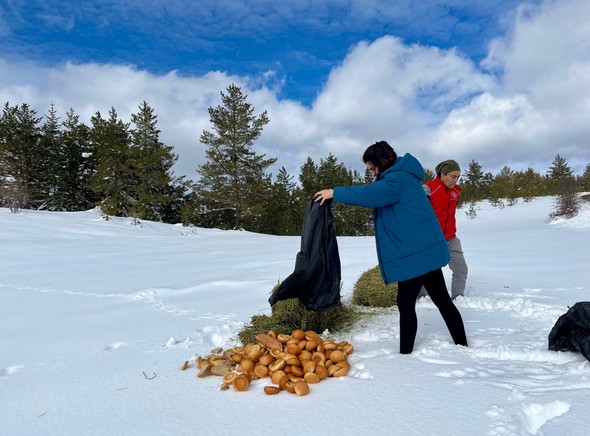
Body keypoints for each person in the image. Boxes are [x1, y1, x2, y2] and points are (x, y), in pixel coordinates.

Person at [314, 141, 467, 354]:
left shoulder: (396, 180)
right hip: (424, 248)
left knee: (405, 303)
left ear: (381, 162)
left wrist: (334, 192)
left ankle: (405, 355)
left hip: (414, 252)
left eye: (372, 167)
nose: (371, 172)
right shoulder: (403, 176)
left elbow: (369, 195)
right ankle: (462, 344)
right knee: (441, 299)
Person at [418, 160, 468, 300]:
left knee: (461, 269)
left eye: (458, 176)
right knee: (426, 270)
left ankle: (458, 298)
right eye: (453, 176)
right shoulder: (428, 189)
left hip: (451, 238)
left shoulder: (456, 191)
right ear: (443, 174)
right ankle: (424, 297)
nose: (456, 180)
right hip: (431, 240)